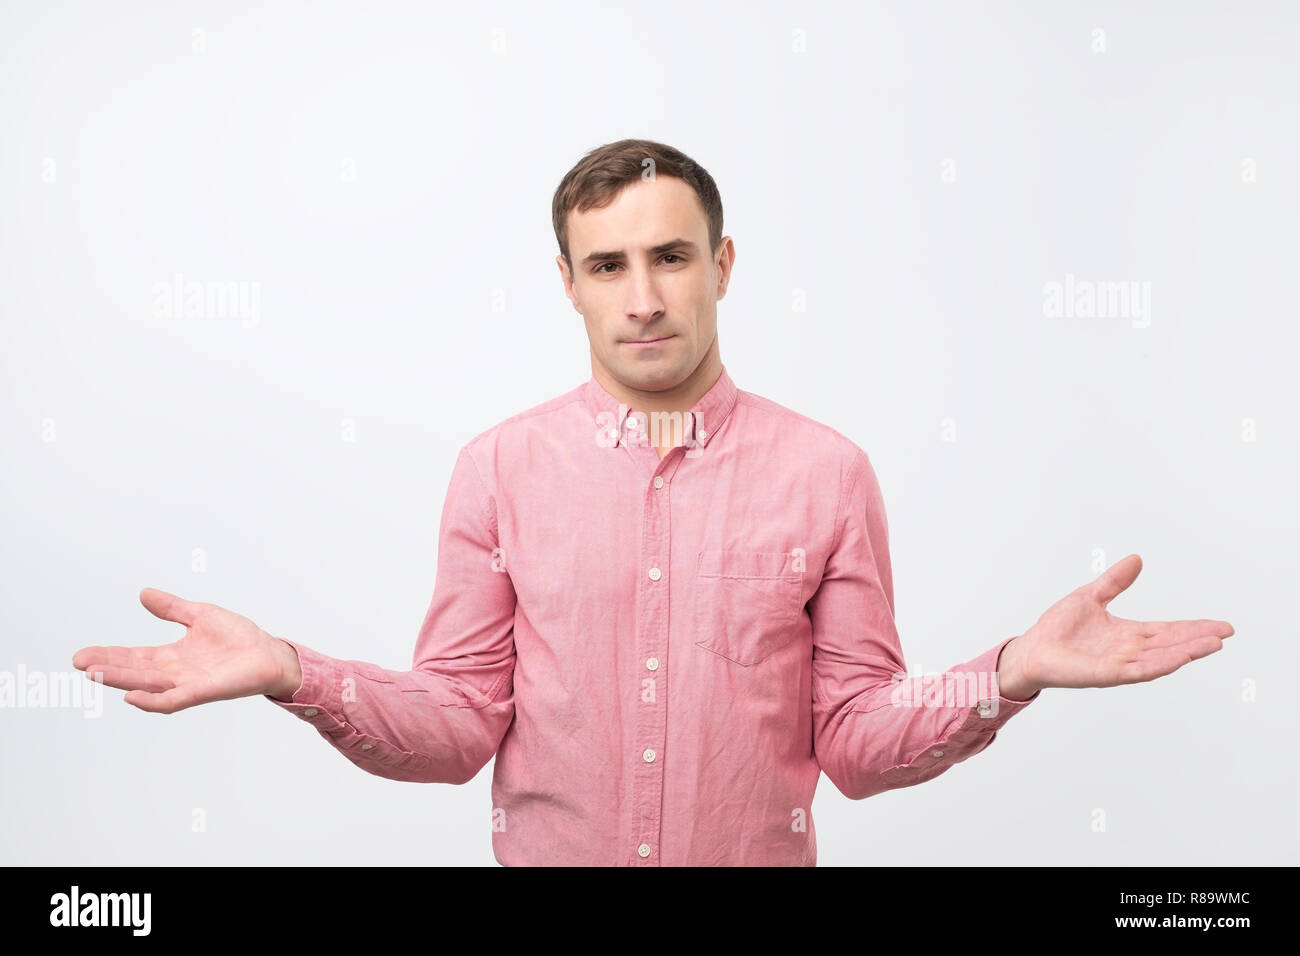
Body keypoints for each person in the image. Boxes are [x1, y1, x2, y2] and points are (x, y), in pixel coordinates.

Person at [72, 138, 1234, 866]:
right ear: (568, 285)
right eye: (610, 266)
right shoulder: (496, 468)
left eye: (672, 257)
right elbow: (458, 727)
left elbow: (858, 745)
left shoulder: (829, 472)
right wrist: (290, 669)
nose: (643, 296)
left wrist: (1008, 672)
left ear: (723, 265)